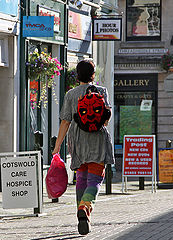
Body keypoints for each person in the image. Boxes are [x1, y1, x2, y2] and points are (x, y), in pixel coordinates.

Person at [52, 59, 115, 235]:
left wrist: (57, 147)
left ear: (77, 75)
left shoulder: (71, 95)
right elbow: (106, 119)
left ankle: (82, 215)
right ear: (93, 75)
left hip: (77, 140)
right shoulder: (102, 92)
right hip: (97, 140)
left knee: (81, 178)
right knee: (95, 179)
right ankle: (85, 208)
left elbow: (65, 121)